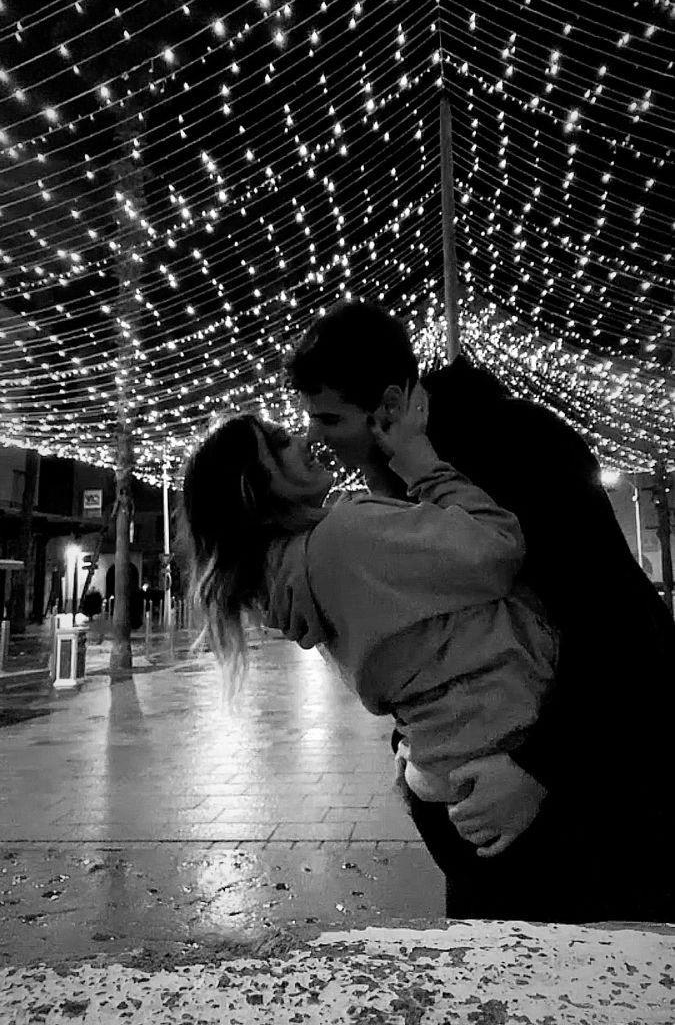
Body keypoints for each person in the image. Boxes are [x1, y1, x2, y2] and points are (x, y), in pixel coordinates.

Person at [280, 299, 675, 924]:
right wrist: (413, 744)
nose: (314, 439)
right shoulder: (394, 481)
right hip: (493, 834)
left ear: (387, 406)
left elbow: (617, 625)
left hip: (596, 816)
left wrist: (538, 771)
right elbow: (437, 644)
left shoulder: (517, 447)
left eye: (328, 418)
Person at [181, 390, 560, 860]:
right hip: (507, 756)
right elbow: (499, 545)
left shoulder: (290, 577)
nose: (303, 440)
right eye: (279, 445)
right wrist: (422, 463)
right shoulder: (343, 537)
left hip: (448, 767)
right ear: (256, 488)